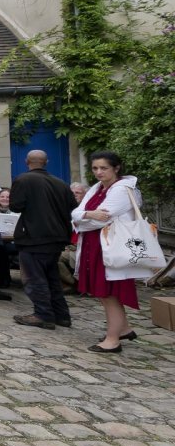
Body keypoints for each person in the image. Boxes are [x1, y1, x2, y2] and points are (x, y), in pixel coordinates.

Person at [72, 151, 147, 353]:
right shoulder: (97, 188)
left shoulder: (122, 190)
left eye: (103, 168)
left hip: (111, 246)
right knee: (103, 293)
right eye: (95, 168)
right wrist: (86, 213)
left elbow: (99, 219)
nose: (99, 172)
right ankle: (123, 329)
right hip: (95, 245)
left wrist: (84, 217)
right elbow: (75, 214)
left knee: (109, 292)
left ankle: (113, 339)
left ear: (116, 168)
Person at [9, 150, 79, 330]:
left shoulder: (23, 180)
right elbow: (73, 207)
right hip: (57, 236)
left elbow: (16, 206)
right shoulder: (61, 183)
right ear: (46, 162)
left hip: (34, 236)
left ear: (27, 161)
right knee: (51, 276)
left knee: (34, 277)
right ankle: (61, 314)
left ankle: (43, 314)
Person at [58, 181, 89, 289]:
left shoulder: (88, 209)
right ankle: (72, 283)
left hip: (82, 246)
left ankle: (74, 285)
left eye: (78, 192)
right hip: (67, 245)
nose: (74, 194)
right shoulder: (64, 208)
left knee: (57, 257)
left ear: (85, 195)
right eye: (72, 192)